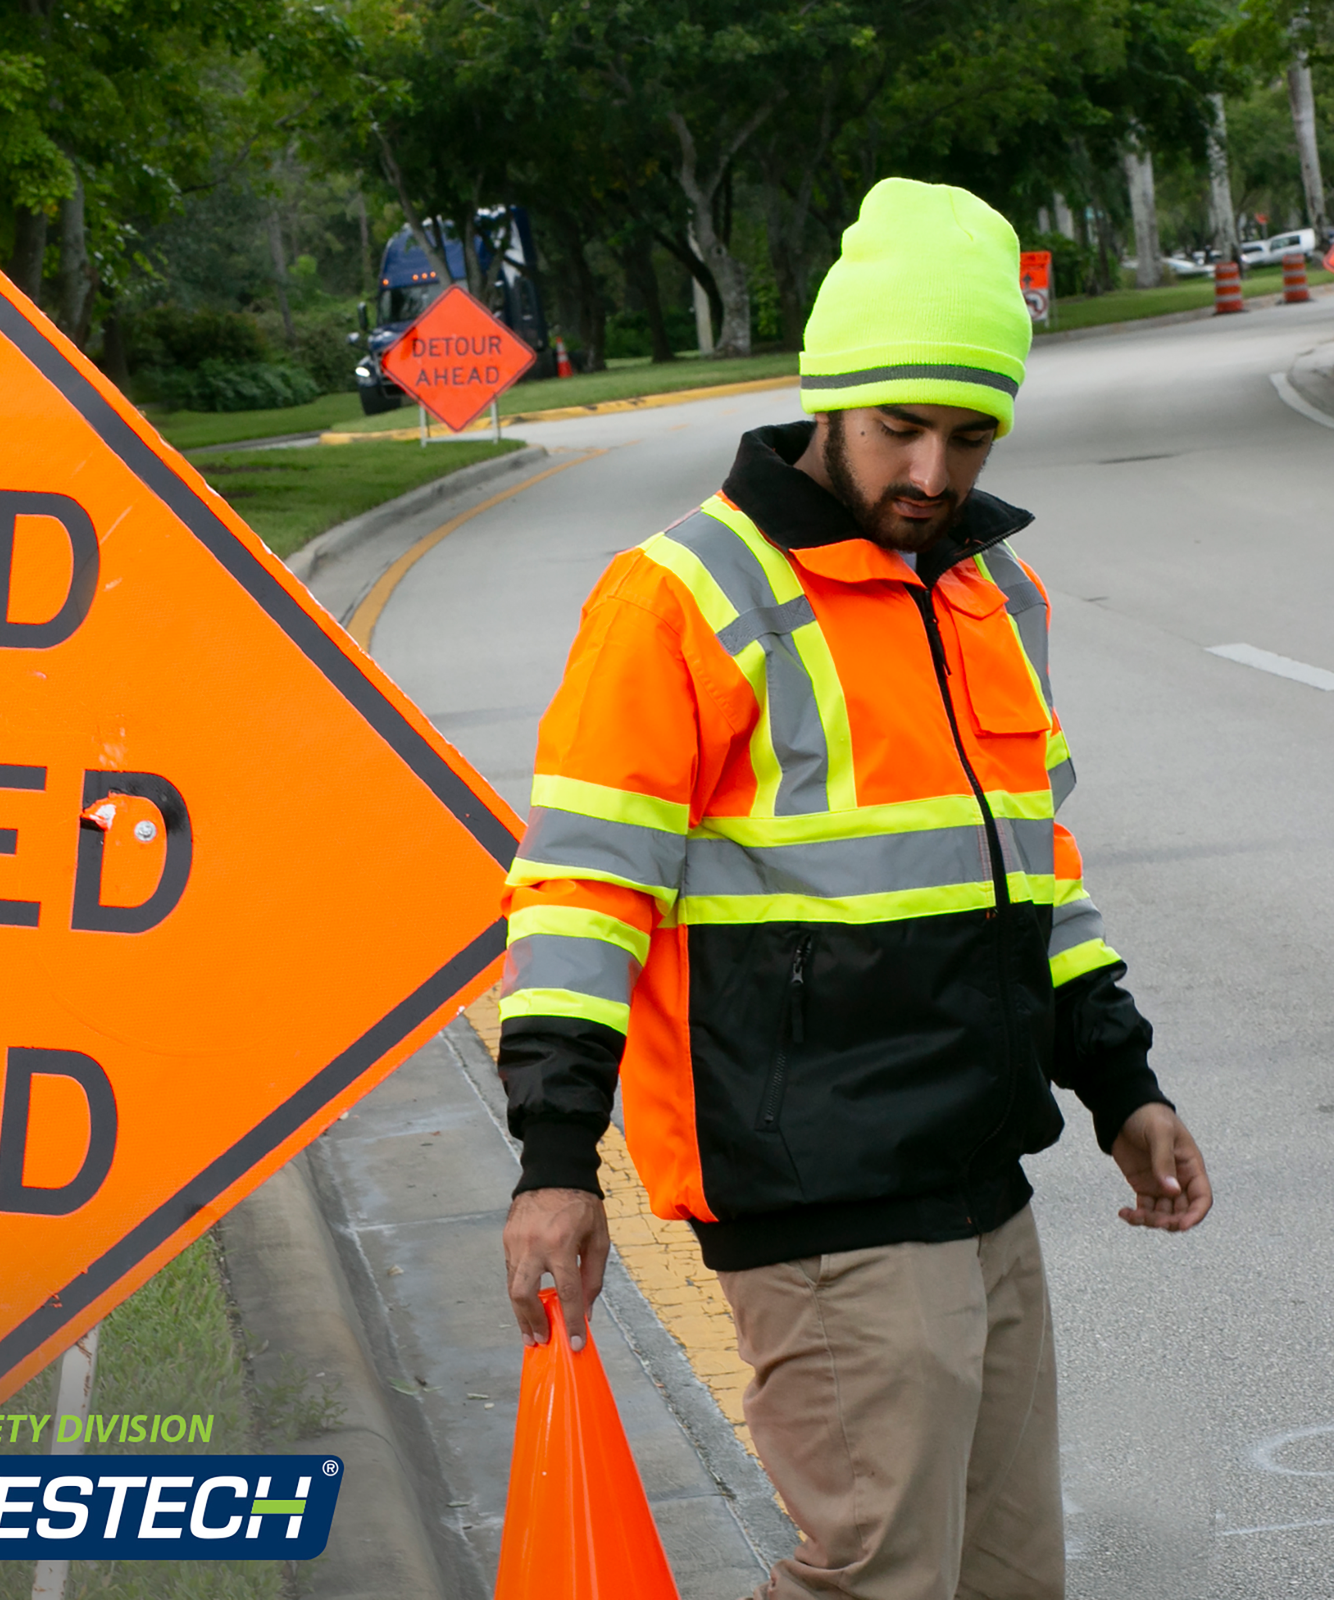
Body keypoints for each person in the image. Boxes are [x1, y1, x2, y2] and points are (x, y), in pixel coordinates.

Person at [496, 177, 1212, 1600]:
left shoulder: (989, 595)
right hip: (812, 1184)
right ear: (828, 397)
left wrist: (1121, 1085)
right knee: (882, 1576)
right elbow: (580, 895)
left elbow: (1034, 880)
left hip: (978, 1171)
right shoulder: (682, 595)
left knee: (1011, 1580)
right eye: (902, 427)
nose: (933, 474)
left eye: (971, 435)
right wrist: (556, 1164)